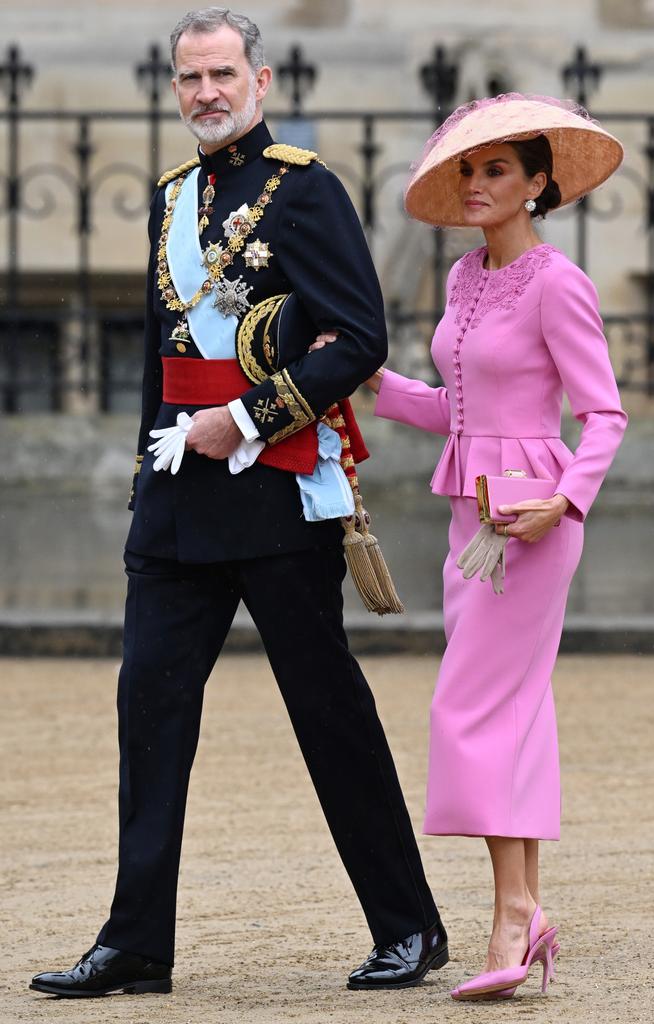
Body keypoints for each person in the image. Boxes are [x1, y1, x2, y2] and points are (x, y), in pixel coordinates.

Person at [29, 7, 447, 999]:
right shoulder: (173, 196)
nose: (206, 93)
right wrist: (150, 469)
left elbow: (357, 338)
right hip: (175, 503)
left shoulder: (307, 193)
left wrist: (250, 419)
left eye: (221, 73)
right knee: (150, 713)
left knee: (327, 712)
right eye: (189, 79)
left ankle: (409, 927)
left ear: (258, 80)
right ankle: (137, 942)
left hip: (273, 491)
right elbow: (158, 359)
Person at [316, 93, 627, 1000]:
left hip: (530, 521)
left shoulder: (560, 281)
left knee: (473, 708)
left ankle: (508, 916)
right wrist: (369, 377)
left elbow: (602, 413)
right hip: (469, 518)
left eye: (500, 170)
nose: (480, 184)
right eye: (471, 169)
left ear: (538, 184)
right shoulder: (461, 280)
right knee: (516, 710)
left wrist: (565, 501)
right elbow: (453, 407)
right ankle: (527, 912)